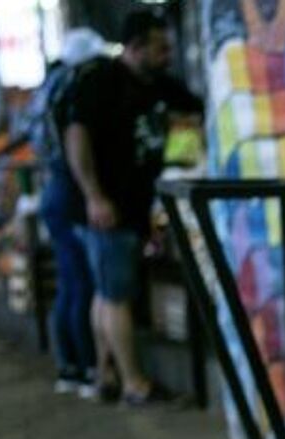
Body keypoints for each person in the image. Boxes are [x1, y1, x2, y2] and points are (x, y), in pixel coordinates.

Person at [61, 9, 202, 406]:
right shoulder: (100, 82)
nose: (168, 56)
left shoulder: (160, 85)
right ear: (135, 47)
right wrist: (95, 196)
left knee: (106, 293)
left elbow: (195, 110)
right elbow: (76, 139)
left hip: (128, 208)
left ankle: (105, 374)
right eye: (160, 49)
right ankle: (134, 384)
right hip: (106, 210)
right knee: (116, 297)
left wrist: (186, 150)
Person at [31, 28, 108, 396]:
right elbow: (76, 144)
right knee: (82, 283)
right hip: (68, 191)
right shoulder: (73, 90)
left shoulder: (48, 89)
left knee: (69, 282)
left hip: (55, 190)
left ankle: (68, 366)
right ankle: (88, 366)